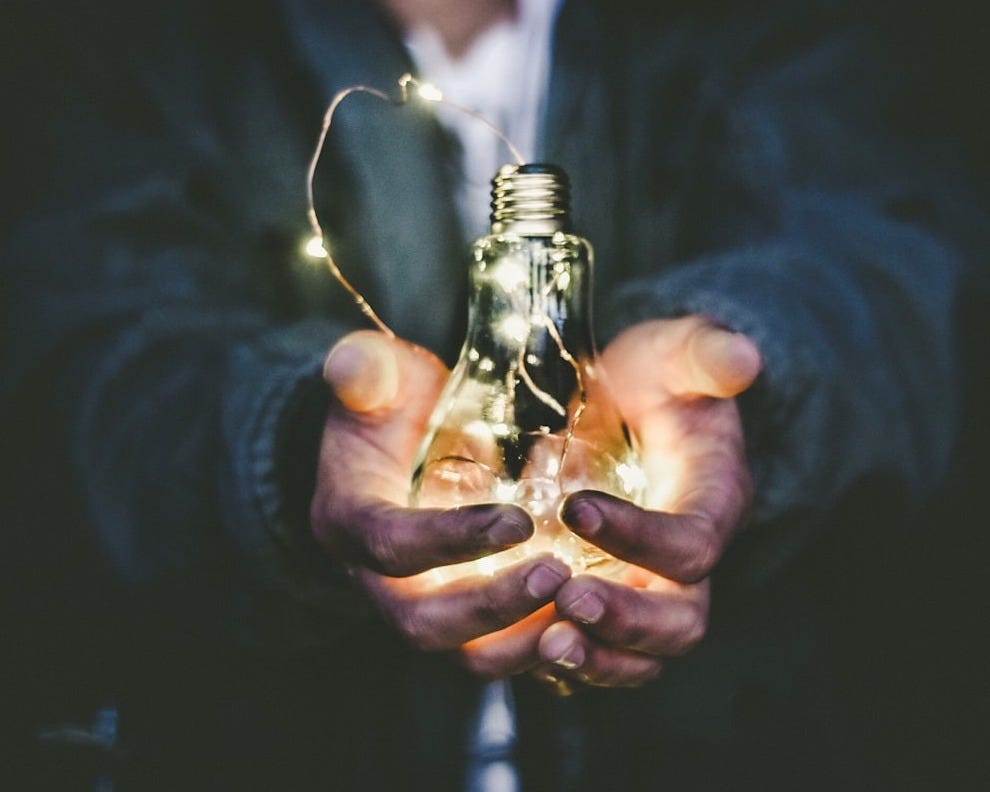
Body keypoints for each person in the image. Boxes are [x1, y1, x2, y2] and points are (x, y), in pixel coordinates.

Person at [1, 0, 985, 789]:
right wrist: (292, 449)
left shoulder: (758, 30)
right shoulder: (158, 44)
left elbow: (892, 259)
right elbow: (77, 348)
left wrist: (747, 381)